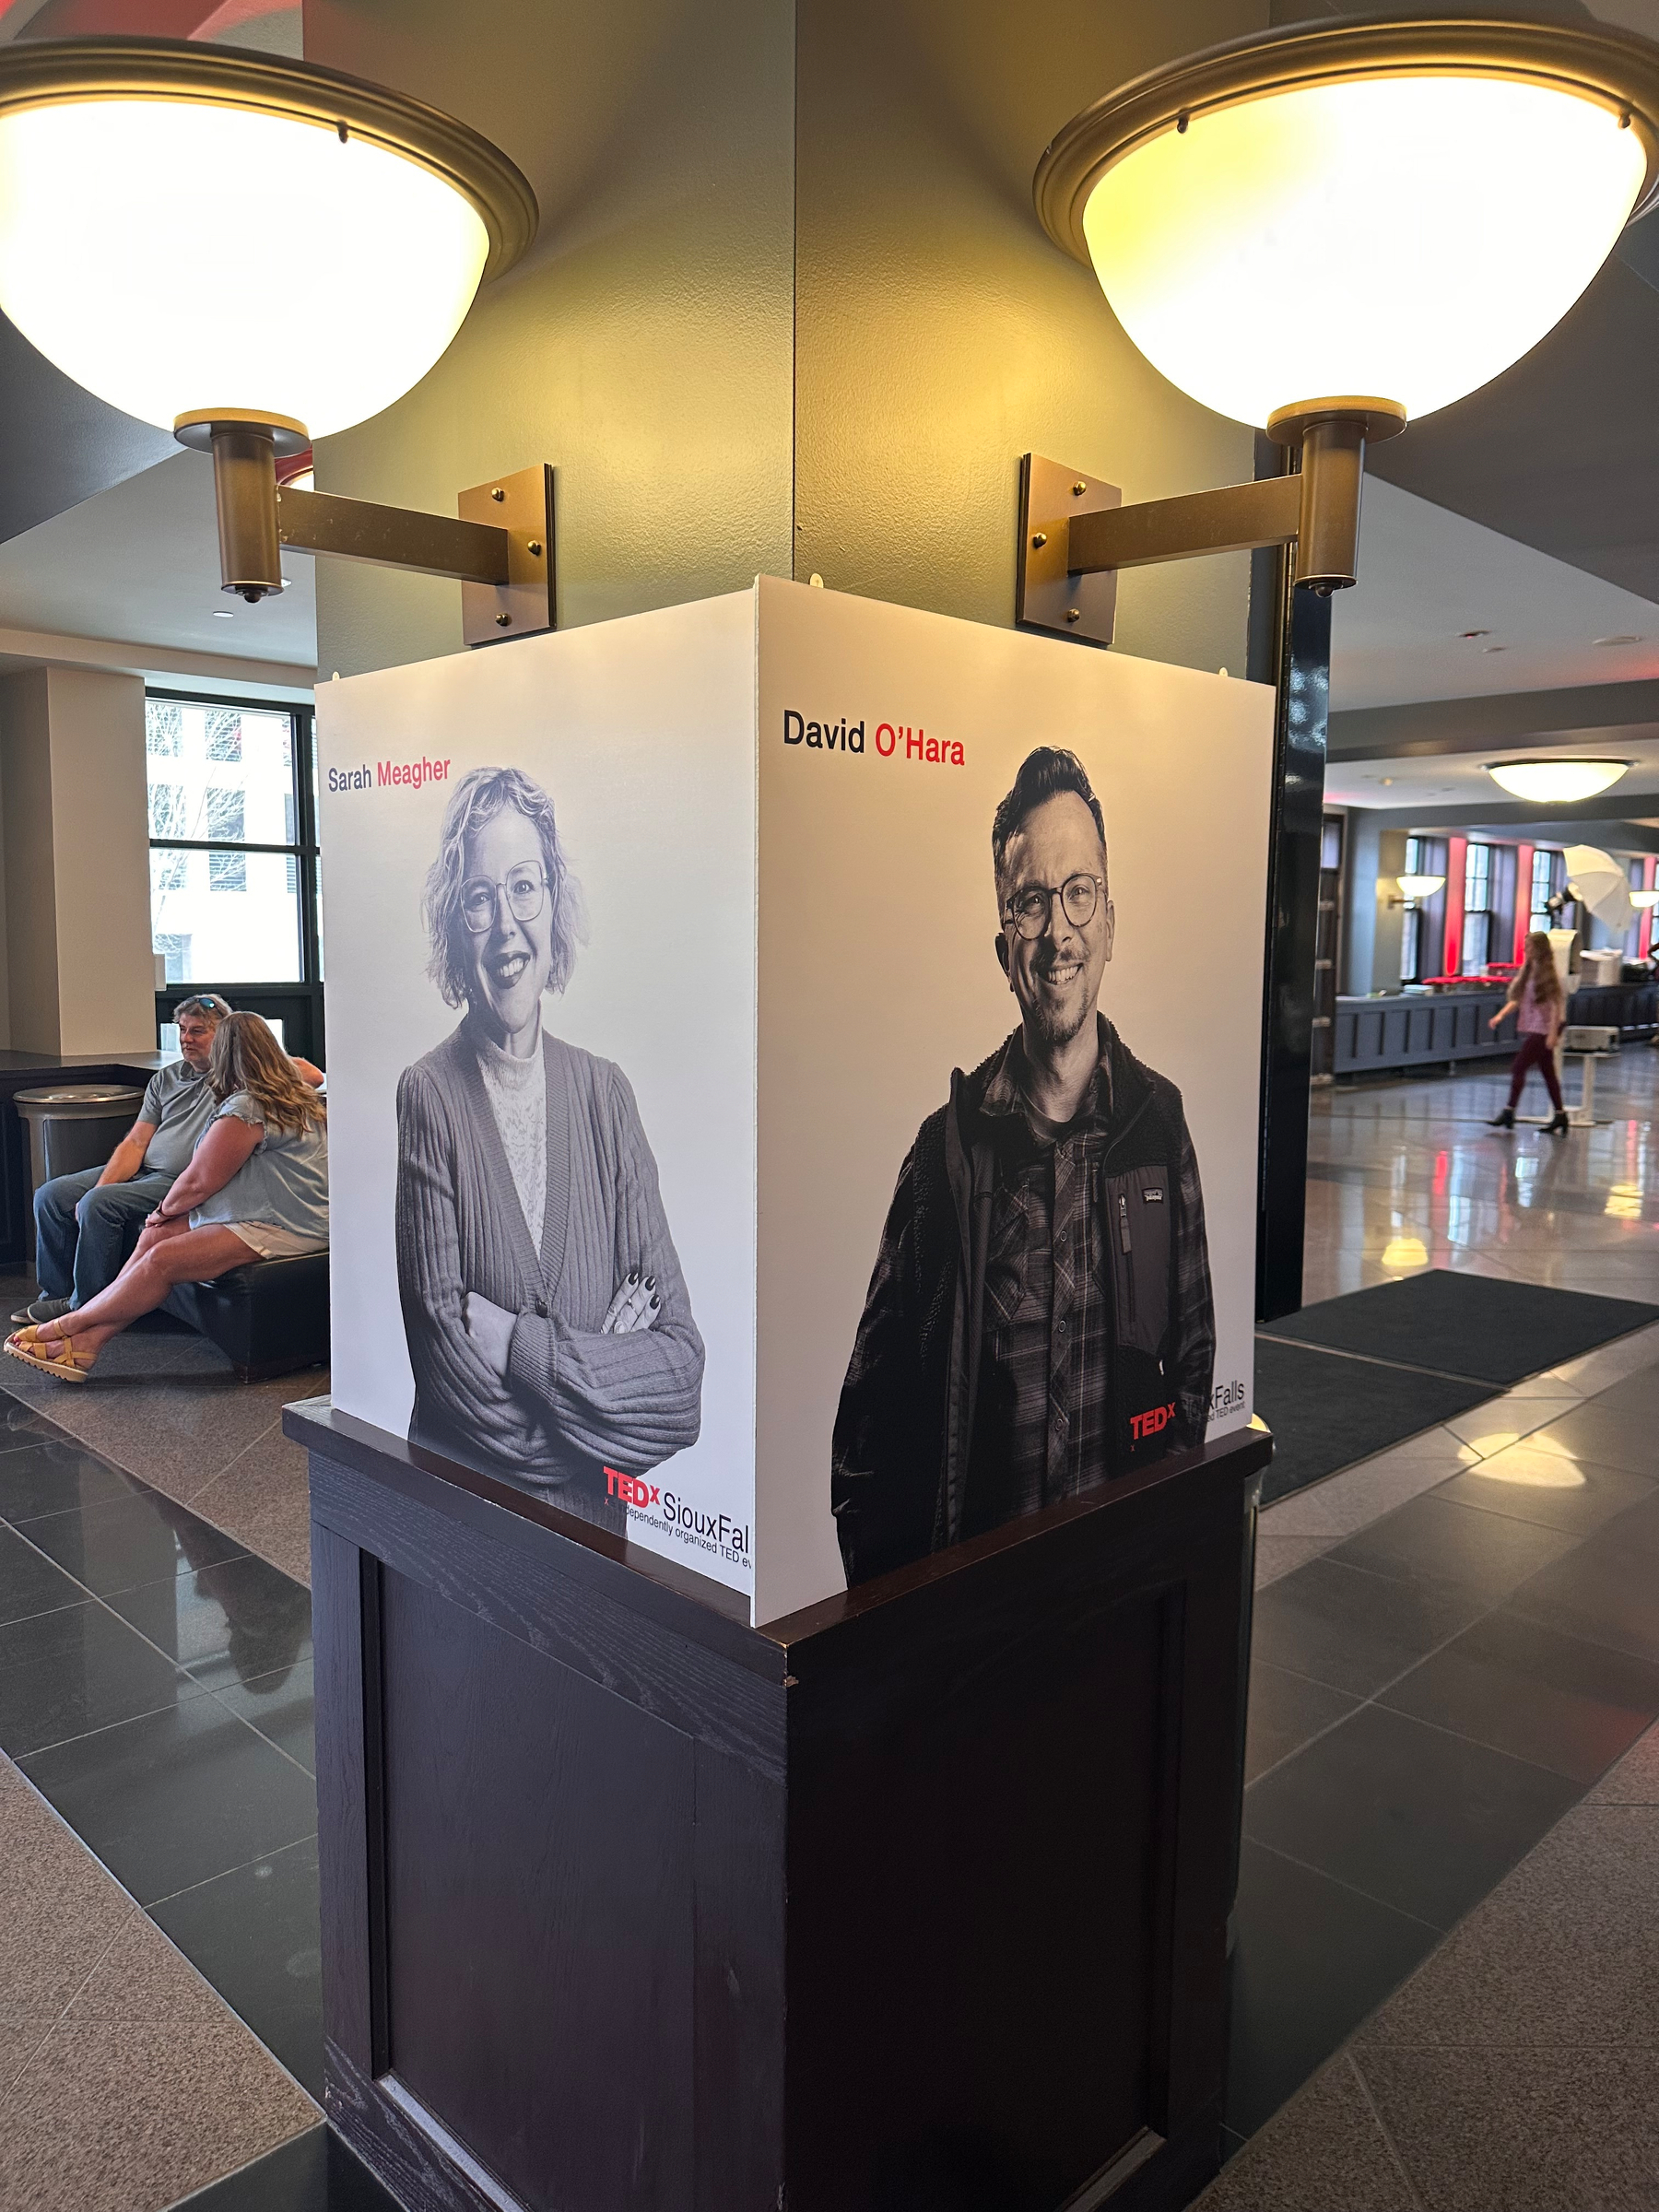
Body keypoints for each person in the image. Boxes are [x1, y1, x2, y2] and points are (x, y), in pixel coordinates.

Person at [830, 745, 1215, 1589]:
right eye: (1030, 904)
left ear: (1111, 919)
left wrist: (1157, 1554)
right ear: (1004, 945)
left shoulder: (1157, 1127)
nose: (1059, 933)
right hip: (975, 1625)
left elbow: (1190, 1367)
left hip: (1114, 1593)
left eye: (1079, 894)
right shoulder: (946, 1156)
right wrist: (904, 1621)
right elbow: (869, 1427)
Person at [395, 765, 703, 1533]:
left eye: (524, 887)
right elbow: (448, 1380)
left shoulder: (605, 1095)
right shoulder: (429, 1096)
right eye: (479, 898)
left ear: (553, 903)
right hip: (470, 1533)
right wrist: (601, 1379)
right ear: (454, 927)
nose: (505, 925)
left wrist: (519, 1344)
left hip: (600, 1548)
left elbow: (680, 1377)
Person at [5, 1012, 328, 1382]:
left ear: (224, 1055)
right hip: (259, 1207)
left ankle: (70, 1324)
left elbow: (198, 1183)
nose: (189, 1040)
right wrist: (161, 1221)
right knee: (154, 1237)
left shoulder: (248, 1108)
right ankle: (86, 1346)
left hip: (282, 1222)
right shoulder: (292, 1095)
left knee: (161, 1257)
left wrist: (163, 1210)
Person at [1488, 930, 1569, 1135]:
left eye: (1530, 947)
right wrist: (1500, 1015)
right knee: (1547, 1072)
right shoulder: (1529, 971)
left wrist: (1552, 1034)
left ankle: (1509, 1110)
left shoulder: (1549, 975)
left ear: (1539, 949)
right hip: (1536, 1026)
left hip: (1544, 1028)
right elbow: (1518, 999)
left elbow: (1555, 1006)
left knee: (1519, 1066)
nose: (1526, 950)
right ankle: (1560, 1114)